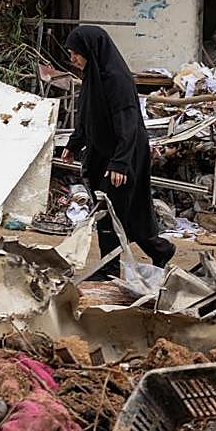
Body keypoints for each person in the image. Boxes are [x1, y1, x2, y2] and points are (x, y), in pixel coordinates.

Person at [62, 25, 175, 276]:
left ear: (90, 50)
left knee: (109, 211)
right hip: (105, 154)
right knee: (127, 212)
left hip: (125, 154)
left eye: (76, 53)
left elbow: (128, 122)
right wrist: (73, 144)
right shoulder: (93, 77)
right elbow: (87, 118)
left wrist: (120, 163)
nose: (73, 59)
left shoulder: (116, 79)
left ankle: (110, 268)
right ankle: (160, 249)